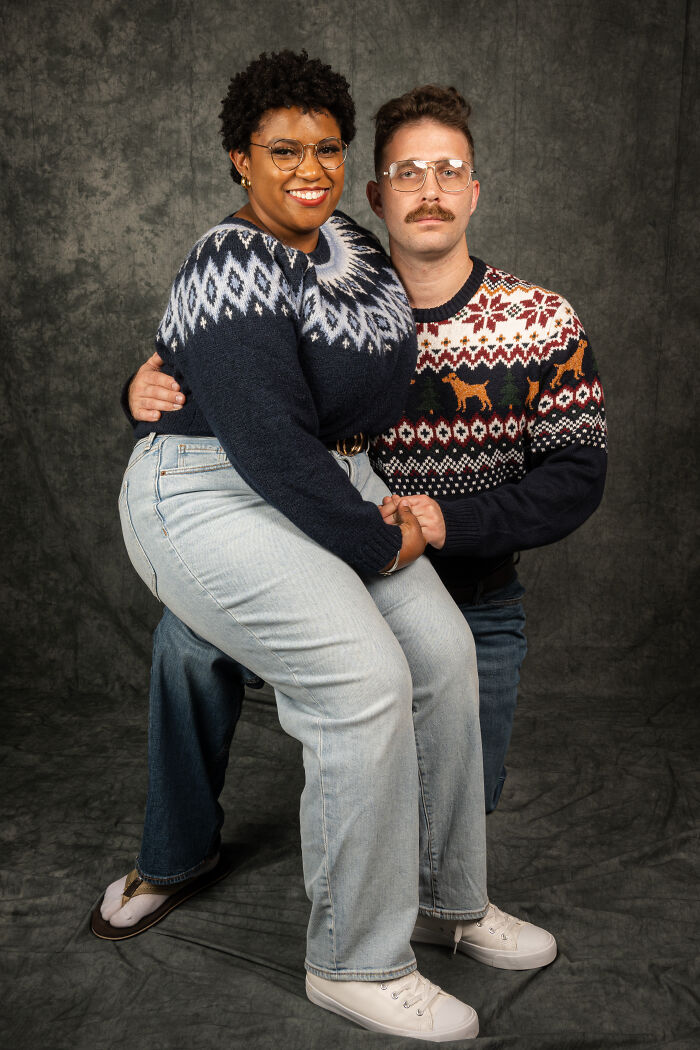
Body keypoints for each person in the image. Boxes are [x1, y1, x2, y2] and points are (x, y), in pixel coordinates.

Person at [94, 52, 556, 1042]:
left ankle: (445, 900)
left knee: (441, 653)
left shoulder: (351, 241)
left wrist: (362, 506)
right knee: (362, 680)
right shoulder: (227, 261)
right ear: (239, 158)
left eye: (328, 149)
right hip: (211, 491)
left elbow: (309, 394)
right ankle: (354, 960)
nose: (309, 170)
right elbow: (263, 439)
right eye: (282, 151)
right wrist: (374, 541)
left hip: (329, 480)